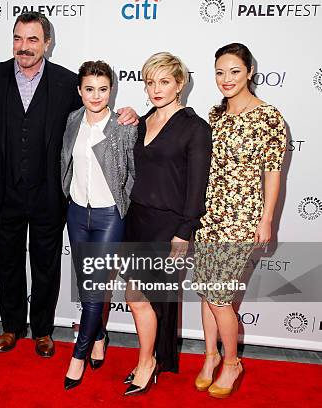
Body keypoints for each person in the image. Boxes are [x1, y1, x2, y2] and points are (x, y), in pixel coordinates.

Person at [0, 11, 138, 357]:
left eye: (33, 39)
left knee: (46, 263)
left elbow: (95, 118)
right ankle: (12, 326)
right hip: (5, 193)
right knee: (10, 262)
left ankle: (43, 330)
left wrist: (129, 116)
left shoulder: (65, 82)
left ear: (47, 42)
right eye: (18, 38)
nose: (24, 46)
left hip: (50, 194)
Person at [193, 43, 286, 399]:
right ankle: (210, 356)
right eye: (219, 72)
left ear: (249, 72)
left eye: (234, 71)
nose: (226, 79)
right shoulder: (214, 115)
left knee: (219, 296)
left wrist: (267, 220)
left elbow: (273, 173)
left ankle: (232, 362)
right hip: (209, 214)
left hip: (242, 218)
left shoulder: (269, 116)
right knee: (206, 292)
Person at [123, 52, 212, 396]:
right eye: (150, 82)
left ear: (179, 84)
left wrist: (184, 232)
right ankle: (151, 358)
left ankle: (148, 363)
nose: (156, 89)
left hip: (168, 226)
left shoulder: (195, 128)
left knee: (140, 296)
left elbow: (196, 186)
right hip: (137, 219)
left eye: (164, 81)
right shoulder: (144, 121)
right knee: (142, 297)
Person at [60, 61, 136, 390]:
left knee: (92, 291)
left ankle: (79, 355)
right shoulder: (73, 120)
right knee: (85, 283)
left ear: (111, 90)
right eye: (89, 89)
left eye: (103, 89)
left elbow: (134, 172)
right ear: (80, 91)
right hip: (77, 213)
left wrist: (123, 205)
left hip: (108, 216)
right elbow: (66, 160)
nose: (96, 95)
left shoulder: (123, 125)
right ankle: (100, 336)